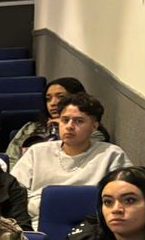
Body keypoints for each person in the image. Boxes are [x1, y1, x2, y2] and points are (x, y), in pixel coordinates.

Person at [12, 93, 130, 229]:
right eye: (65, 120)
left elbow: (126, 192)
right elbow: (16, 191)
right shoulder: (37, 152)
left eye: (79, 121)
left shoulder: (111, 154)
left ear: (94, 126)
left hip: (94, 226)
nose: (69, 126)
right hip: (35, 222)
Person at [7, 77, 109, 163]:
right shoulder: (30, 128)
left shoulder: (92, 133)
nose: (53, 103)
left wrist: (63, 126)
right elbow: (11, 159)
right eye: (48, 99)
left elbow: (83, 159)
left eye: (60, 97)